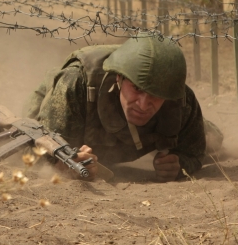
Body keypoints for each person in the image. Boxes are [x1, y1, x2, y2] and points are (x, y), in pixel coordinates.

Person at [23, 33, 223, 182]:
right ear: (119, 78)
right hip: (57, 102)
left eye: (156, 95)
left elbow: (194, 153)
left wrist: (180, 164)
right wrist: (66, 164)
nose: (144, 105)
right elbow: (37, 149)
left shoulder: (180, 98)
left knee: (213, 140)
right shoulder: (75, 85)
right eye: (136, 89)